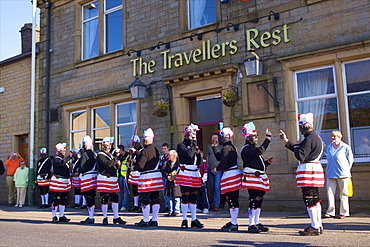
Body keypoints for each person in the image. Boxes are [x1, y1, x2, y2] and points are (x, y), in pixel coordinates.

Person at [280, 113, 325, 236]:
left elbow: (300, 155)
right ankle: (318, 224)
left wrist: (297, 146)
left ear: (303, 127)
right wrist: (287, 142)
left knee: (309, 199)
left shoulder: (308, 139)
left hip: (308, 171)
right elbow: (301, 150)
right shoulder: (316, 137)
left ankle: (315, 226)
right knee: (315, 199)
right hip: (315, 169)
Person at [241, 122, 273, 233]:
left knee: (259, 200)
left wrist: (267, 163)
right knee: (254, 200)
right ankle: (251, 224)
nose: (254, 138)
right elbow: (260, 150)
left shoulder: (252, 150)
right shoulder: (246, 149)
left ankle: (256, 221)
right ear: (247, 137)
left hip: (258, 178)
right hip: (252, 178)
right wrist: (267, 139)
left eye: (255, 136)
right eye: (252, 136)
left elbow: (256, 163)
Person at [212, 127, 242, 232]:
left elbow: (223, 162)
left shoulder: (226, 148)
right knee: (232, 198)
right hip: (233, 173)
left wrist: (216, 169)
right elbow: (219, 158)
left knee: (232, 199)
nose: (219, 138)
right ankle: (233, 221)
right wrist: (214, 147)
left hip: (230, 174)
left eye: (220, 136)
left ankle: (234, 222)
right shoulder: (230, 147)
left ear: (225, 137)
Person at [133, 128, 164, 227]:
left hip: (146, 177)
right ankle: (154, 219)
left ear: (145, 140)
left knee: (145, 199)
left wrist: (134, 167)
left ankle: (145, 219)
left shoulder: (145, 151)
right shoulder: (156, 150)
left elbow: (141, 165)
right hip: (156, 177)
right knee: (155, 198)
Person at [176, 123, 204, 229]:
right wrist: (194, 145)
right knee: (185, 195)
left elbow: (199, 161)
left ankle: (193, 219)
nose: (193, 136)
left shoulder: (194, 146)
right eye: (191, 134)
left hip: (194, 172)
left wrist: (199, 153)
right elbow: (189, 154)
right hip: (186, 172)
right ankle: (184, 219)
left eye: (194, 134)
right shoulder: (181, 145)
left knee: (194, 196)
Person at [96, 137, 126, 225]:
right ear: (103, 146)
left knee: (115, 198)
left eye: (109, 146)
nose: (108, 147)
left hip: (112, 178)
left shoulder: (110, 155)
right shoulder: (100, 155)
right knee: (105, 197)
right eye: (106, 146)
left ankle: (116, 217)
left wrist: (117, 165)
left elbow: (113, 166)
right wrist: (115, 158)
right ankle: (105, 217)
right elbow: (108, 164)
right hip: (105, 178)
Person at [324, 130, 354, 219]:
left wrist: (346, 170)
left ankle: (344, 212)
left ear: (339, 137)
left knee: (343, 193)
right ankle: (330, 211)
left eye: (335, 136)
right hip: (330, 173)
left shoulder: (345, 147)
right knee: (330, 193)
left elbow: (350, 160)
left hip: (343, 174)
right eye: (332, 136)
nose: (333, 138)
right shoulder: (329, 147)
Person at [49, 143, 72, 223]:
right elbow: (61, 163)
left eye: (64, 151)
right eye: (61, 151)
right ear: (58, 152)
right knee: (56, 199)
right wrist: (69, 157)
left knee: (63, 199)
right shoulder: (56, 159)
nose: (63, 153)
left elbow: (70, 168)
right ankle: (54, 216)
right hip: (58, 182)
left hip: (65, 182)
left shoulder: (65, 160)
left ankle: (61, 215)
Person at [79, 136, 98, 224]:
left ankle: (90, 216)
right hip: (93, 177)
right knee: (92, 196)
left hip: (86, 178)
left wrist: (78, 170)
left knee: (88, 197)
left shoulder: (85, 155)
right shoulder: (94, 154)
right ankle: (91, 215)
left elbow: (82, 168)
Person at [162, 150, 181, 216]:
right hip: (168, 182)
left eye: (169, 155)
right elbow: (165, 171)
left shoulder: (179, 164)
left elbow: (179, 173)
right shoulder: (168, 163)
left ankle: (176, 210)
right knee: (169, 196)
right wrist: (167, 176)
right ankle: (170, 210)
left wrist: (173, 178)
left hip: (176, 182)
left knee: (176, 196)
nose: (168, 156)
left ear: (174, 156)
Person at [128, 135, 144, 212]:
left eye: (136, 143)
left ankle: (141, 205)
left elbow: (142, 159)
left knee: (140, 189)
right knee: (134, 189)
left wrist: (135, 161)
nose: (135, 144)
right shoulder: (132, 152)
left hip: (139, 172)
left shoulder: (142, 150)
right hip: (133, 172)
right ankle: (136, 205)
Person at [207, 133, 223, 212]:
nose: (214, 140)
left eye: (215, 138)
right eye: (213, 138)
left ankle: (216, 204)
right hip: (210, 168)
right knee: (212, 187)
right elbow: (208, 156)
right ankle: (213, 203)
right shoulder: (209, 147)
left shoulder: (221, 147)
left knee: (217, 187)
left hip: (218, 169)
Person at [117, 144, 130, 211]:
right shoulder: (118, 156)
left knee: (125, 191)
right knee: (119, 191)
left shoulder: (127, 155)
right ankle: (119, 204)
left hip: (125, 175)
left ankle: (125, 205)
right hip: (119, 175)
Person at [160, 143, 170, 213]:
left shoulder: (170, 157)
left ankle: (170, 206)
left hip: (169, 176)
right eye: (163, 149)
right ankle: (166, 205)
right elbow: (161, 166)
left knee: (169, 192)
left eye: (165, 149)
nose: (164, 150)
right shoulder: (161, 157)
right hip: (163, 176)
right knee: (164, 192)